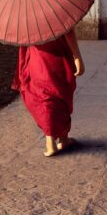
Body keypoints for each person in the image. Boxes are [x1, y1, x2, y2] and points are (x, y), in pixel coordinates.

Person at [11, 27, 85, 157]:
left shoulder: (26, 16)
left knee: (43, 95)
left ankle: (59, 139)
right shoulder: (57, 10)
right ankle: (54, 140)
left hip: (36, 57)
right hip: (59, 55)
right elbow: (68, 31)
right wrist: (77, 57)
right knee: (60, 95)